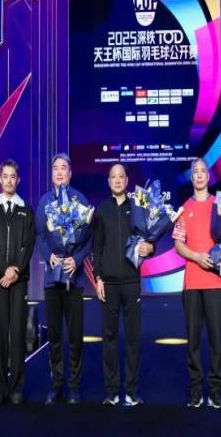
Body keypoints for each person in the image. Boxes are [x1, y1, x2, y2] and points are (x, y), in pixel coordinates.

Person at [172, 158, 221, 409]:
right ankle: (196, 390)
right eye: (195, 172)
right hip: (192, 285)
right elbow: (178, 245)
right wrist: (197, 256)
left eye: (202, 171)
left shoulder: (220, 205)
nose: (199, 175)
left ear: (208, 177)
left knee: (216, 340)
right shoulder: (184, 208)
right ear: (191, 178)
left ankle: (215, 390)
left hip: (215, 284)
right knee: (193, 340)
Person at [93, 163, 154, 406]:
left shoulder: (137, 208)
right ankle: (111, 391)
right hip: (108, 283)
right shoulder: (102, 210)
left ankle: (131, 390)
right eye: (113, 177)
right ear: (109, 182)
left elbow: (149, 240)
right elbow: (97, 247)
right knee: (108, 337)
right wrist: (98, 278)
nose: (117, 180)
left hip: (131, 282)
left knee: (132, 338)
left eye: (121, 176)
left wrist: (150, 248)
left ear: (127, 181)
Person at [36, 153, 92, 405]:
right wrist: (49, 256)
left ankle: (75, 386)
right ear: (52, 174)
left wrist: (76, 259)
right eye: (55, 168)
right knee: (55, 334)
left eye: (64, 168)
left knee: (75, 334)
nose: (59, 172)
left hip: (74, 277)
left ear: (70, 173)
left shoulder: (80, 200)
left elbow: (89, 238)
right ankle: (57, 385)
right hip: (52, 278)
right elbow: (39, 235)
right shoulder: (44, 202)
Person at [0, 159, 36, 406]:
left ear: (18, 180)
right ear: (0, 179)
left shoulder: (26, 211)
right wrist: (5, 269)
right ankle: (0, 387)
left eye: (13, 176)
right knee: (0, 332)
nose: (9, 180)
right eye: (5, 176)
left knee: (17, 331)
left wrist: (15, 271)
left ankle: (16, 388)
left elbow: (28, 245)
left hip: (19, 279)